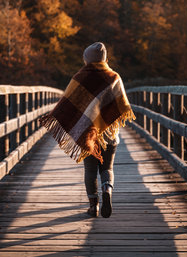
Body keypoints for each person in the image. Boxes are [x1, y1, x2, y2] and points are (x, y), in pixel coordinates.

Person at [40, 42, 134, 218]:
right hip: (109, 136)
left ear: (86, 59)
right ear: (105, 59)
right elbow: (122, 105)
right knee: (107, 167)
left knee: (90, 170)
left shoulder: (79, 77)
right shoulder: (114, 77)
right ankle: (107, 189)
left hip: (87, 133)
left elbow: (67, 103)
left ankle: (94, 206)